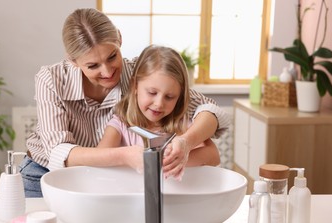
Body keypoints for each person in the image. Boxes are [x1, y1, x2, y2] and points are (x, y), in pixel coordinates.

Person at [19, 8, 230, 197]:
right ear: (73, 61)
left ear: (119, 39)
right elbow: (58, 152)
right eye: (93, 66)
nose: (108, 72)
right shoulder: (51, 79)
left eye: (112, 57)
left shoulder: (140, 73)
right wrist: (125, 156)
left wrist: (186, 143)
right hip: (43, 174)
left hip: (105, 178)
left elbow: (207, 109)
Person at [98, 45, 220, 180]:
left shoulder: (183, 123)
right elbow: (100, 158)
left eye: (169, 97)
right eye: (152, 92)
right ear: (135, 86)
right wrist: (127, 157)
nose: (159, 104)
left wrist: (173, 160)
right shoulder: (120, 124)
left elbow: (213, 156)